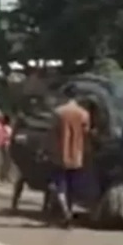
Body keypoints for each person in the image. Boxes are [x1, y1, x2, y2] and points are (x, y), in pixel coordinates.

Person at [46, 93, 91, 227]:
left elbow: (51, 133)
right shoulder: (83, 114)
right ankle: (69, 211)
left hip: (59, 155)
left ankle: (65, 211)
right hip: (76, 155)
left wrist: (47, 150)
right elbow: (86, 133)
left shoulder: (58, 112)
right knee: (72, 187)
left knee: (60, 185)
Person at [0, 114, 14, 183]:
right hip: (5, 145)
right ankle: (3, 176)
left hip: (6, 145)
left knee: (7, 162)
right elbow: (7, 136)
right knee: (6, 161)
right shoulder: (5, 128)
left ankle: (4, 175)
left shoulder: (7, 128)